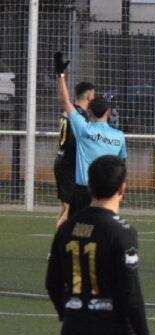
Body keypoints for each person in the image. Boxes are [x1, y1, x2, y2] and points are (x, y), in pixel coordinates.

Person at [45, 155, 155, 335]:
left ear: (90, 186)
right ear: (122, 188)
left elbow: (51, 282)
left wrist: (68, 313)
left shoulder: (67, 228)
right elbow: (130, 296)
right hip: (113, 332)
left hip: (75, 329)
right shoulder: (122, 232)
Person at [55, 51, 127, 219]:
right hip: (105, 192)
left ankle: (64, 237)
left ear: (90, 111)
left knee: (75, 225)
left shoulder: (84, 129)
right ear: (107, 112)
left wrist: (60, 74)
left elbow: (65, 101)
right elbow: (122, 165)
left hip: (83, 190)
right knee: (103, 226)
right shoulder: (119, 136)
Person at [55, 81, 95, 227]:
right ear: (89, 96)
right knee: (71, 211)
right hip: (70, 165)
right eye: (93, 95)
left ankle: (62, 239)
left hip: (61, 161)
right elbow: (76, 143)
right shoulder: (79, 116)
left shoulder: (69, 111)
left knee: (65, 208)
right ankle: (62, 239)